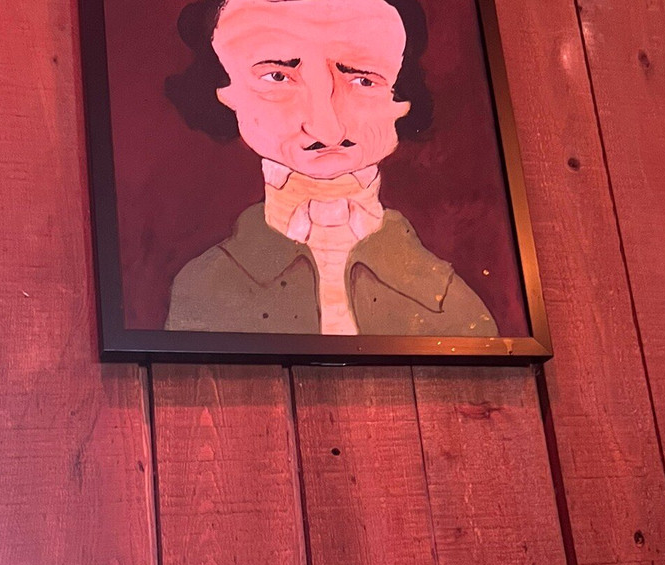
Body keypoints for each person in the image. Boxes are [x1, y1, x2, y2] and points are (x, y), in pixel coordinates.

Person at [163, 0, 498, 337]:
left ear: (400, 99)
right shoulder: (203, 290)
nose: (327, 129)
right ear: (227, 92)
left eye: (363, 80)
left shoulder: (453, 304)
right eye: (278, 77)